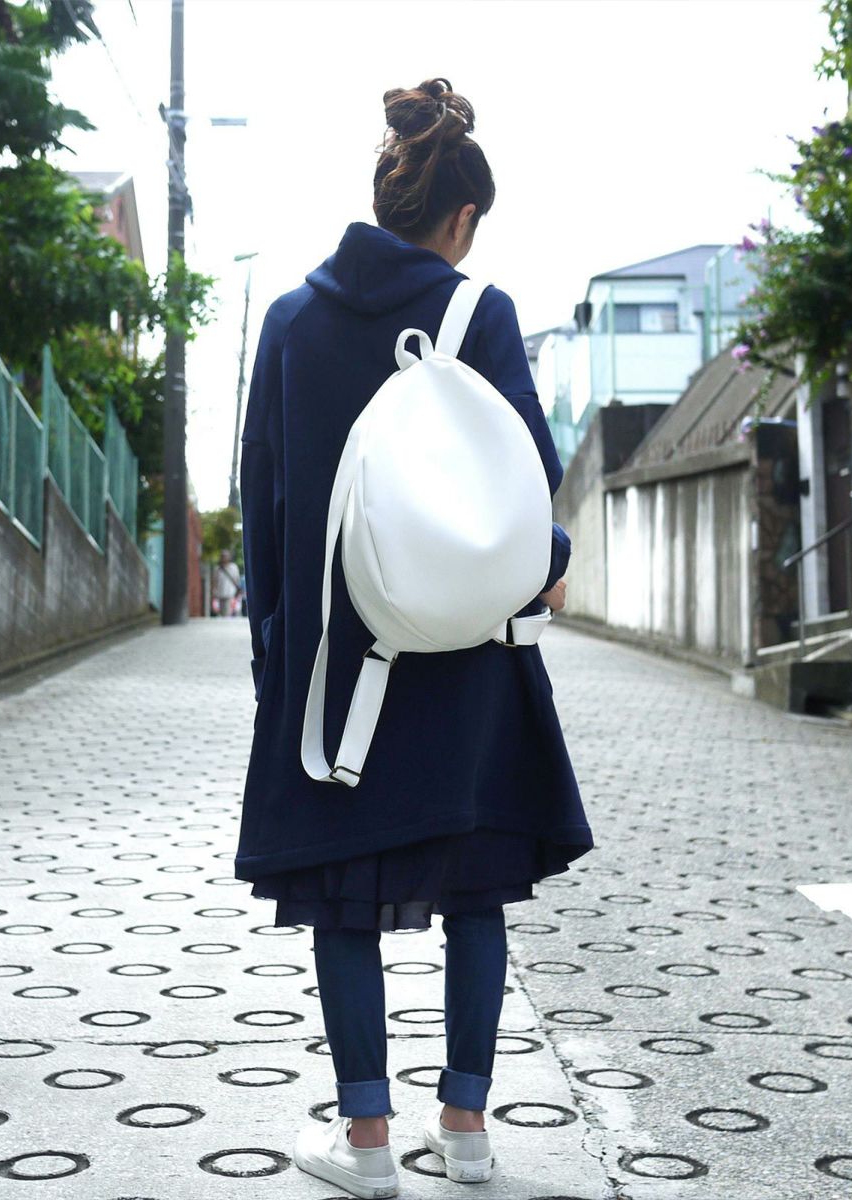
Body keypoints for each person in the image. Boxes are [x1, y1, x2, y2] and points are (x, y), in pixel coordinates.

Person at [235, 77, 593, 1199]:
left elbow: (265, 509)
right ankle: (468, 1129)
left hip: (337, 668)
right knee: (475, 889)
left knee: (342, 895)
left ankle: (368, 1143)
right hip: (467, 656)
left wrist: (277, 661)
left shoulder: (290, 323)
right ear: (463, 215)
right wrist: (555, 555)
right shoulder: (479, 312)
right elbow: (524, 492)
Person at [212, 548, 242, 617]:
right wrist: (214, 592)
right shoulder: (217, 569)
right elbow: (215, 581)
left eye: (225, 556)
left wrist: (238, 591)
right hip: (220, 594)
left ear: (229, 557)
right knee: (222, 614)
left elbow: (237, 579)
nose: (224, 558)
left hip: (230, 594)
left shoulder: (233, 567)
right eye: (222, 556)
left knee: (227, 614)